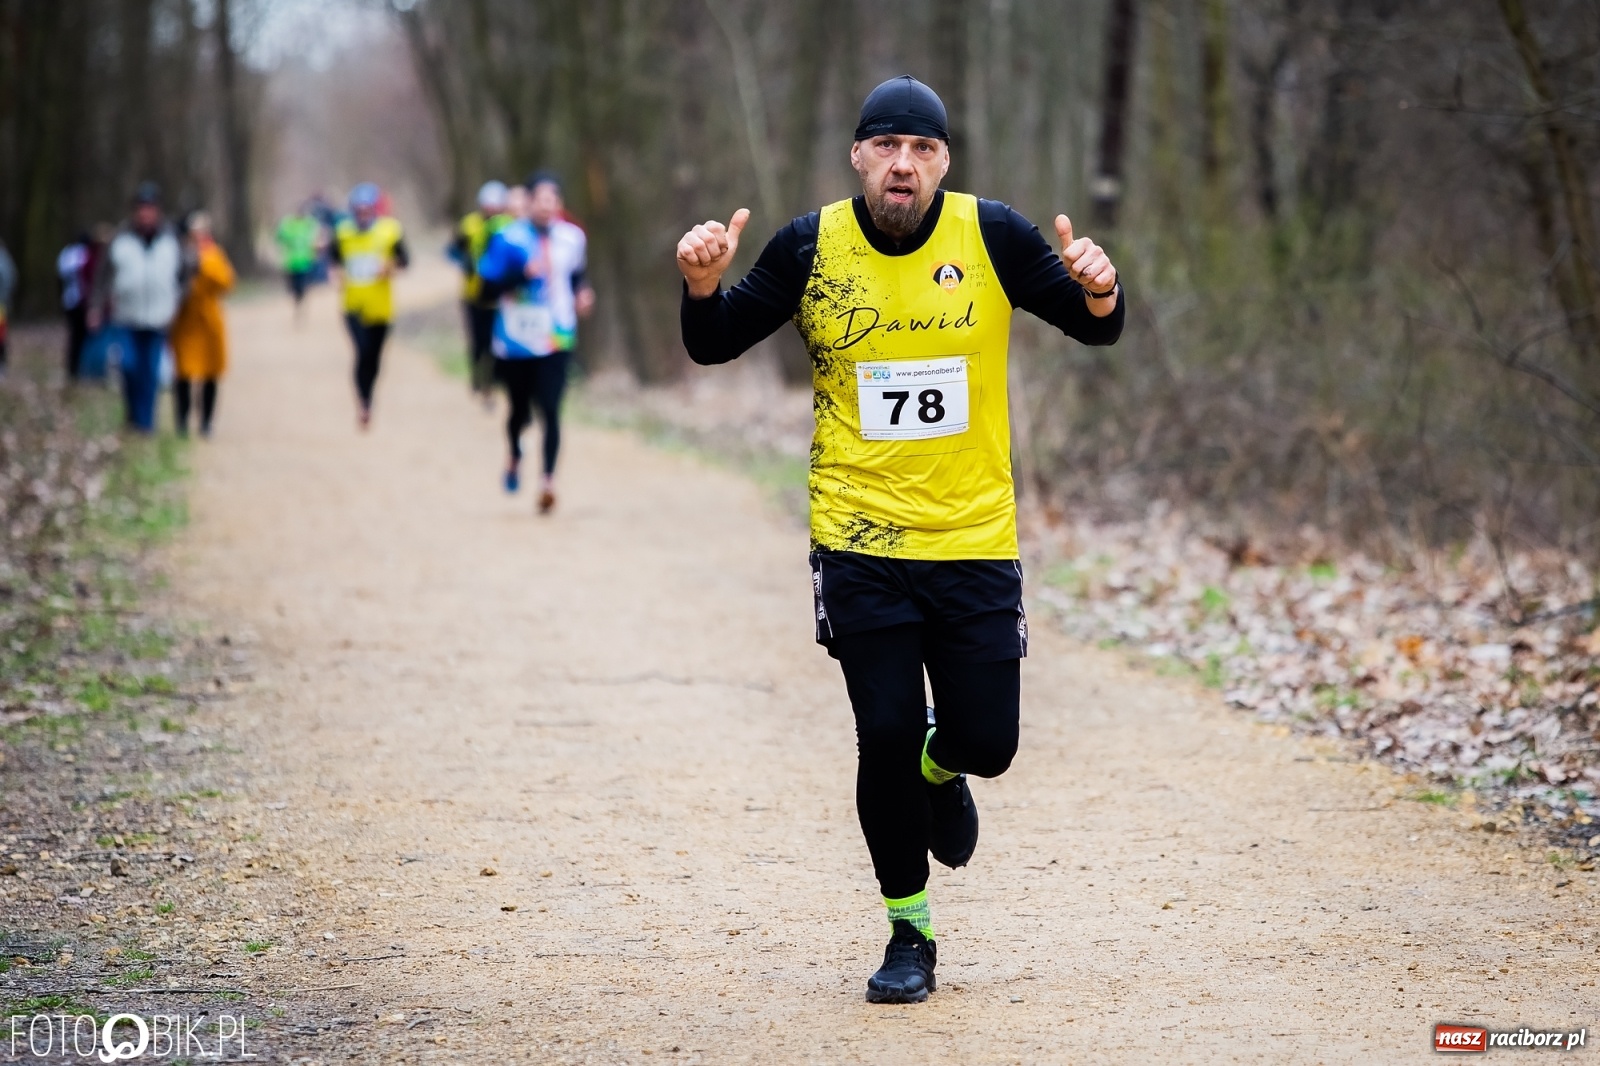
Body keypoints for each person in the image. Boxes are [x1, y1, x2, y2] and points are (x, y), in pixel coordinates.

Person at [675, 75, 1125, 1004]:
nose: (903, 164)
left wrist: (1100, 288)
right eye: (886, 146)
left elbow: (1098, 330)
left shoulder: (991, 234)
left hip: (973, 538)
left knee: (986, 743)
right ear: (858, 157)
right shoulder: (811, 247)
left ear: (944, 161)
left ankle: (940, 764)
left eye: (922, 148)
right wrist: (702, 284)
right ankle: (908, 932)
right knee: (880, 732)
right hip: (859, 537)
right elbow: (714, 343)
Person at [476, 172, 594, 513]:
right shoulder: (506, 238)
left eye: (552, 199)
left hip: (557, 336)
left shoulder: (572, 237)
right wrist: (520, 276)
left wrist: (583, 293)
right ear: (527, 202)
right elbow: (485, 290)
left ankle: (547, 481)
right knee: (519, 411)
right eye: (540, 199)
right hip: (516, 339)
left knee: (552, 409)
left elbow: (576, 275)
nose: (546, 206)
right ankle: (514, 453)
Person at [97, 182, 183, 432]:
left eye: (150, 208)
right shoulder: (120, 239)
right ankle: (134, 414)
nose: (145, 214)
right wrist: (95, 306)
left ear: (158, 210)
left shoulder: (171, 239)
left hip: (158, 318)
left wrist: (177, 300)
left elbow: (184, 274)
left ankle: (145, 424)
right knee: (128, 366)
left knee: (151, 372)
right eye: (141, 208)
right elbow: (102, 276)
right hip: (126, 316)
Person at [329, 183, 408, 429]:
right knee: (362, 351)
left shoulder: (390, 231)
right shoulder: (343, 233)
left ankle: (369, 396)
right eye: (359, 210)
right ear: (353, 211)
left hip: (381, 308)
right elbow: (333, 260)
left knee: (374, 357)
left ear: (374, 210)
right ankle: (363, 401)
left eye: (367, 210)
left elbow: (404, 261)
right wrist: (334, 274)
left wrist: (389, 268)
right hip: (353, 305)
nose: (363, 215)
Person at [170, 212, 236, 438]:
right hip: (186, 320)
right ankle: (182, 421)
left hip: (209, 322)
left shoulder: (214, 254)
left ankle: (206, 422)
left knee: (210, 372)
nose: (199, 236)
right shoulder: (179, 253)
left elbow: (226, 282)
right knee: (183, 372)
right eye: (195, 232)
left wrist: (203, 266)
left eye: (203, 231)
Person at [450, 180, 513, 401]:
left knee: (496, 341)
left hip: (501, 294)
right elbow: (452, 251)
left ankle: (493, 381)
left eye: (496, 206)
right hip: (473, 292)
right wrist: (464, 261)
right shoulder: (469, 225)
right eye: (488, 206)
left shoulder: (509, 226)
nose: (491, 210)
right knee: (477, 340)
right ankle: (477, 377)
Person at [57, 232, 97, 381]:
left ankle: (73, 368)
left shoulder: (66, 254)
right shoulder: (85, 255)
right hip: (81, 300)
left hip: (68, 300)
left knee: (74, 335)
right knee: (84, 336)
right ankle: (82, 368)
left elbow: (60, 277)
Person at [276, 202, 323, 323]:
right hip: (291, 262)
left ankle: (300, 303)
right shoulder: (289, 225)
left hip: (305, 262)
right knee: (294, 288)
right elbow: (279, 237)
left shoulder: (308, 224)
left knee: (302, 287)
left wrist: (316, 249)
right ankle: (298, 302)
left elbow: (317, 237)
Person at [0, 239, 15, 380]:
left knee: (1, 335)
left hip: (0, 305)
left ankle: (2, 365)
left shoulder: (3, 261)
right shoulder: (6, 260)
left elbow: (8, 282)